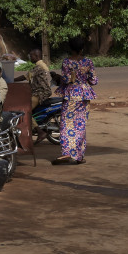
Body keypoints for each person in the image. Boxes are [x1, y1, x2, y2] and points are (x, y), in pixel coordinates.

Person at [54, 36, 97, 165]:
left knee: (66, 125)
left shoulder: (66, 62)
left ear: (70, 47)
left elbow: (66, 80)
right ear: (82, 48)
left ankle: (68, 153)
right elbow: (94, 80)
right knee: (80, 125)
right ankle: (78, 156)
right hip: (84, 96)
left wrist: (59, 78)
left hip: (71, 95)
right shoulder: (88, 62)